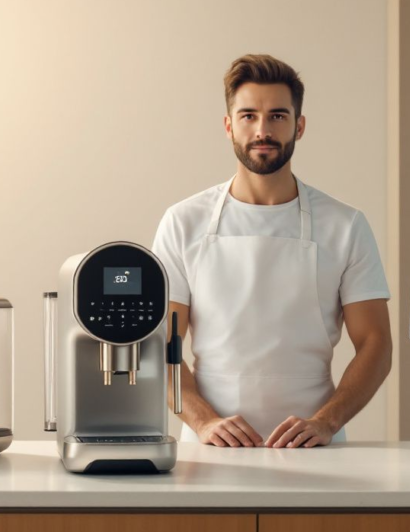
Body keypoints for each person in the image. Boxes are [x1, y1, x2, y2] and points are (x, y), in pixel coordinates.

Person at [152, 54, 392, 448]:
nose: (263, 130)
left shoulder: (345, 225)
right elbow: (160, 346)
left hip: (316, 450)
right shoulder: (182, 223)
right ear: (229, 126)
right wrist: (204, 422)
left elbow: (376, 344)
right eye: (248, 116)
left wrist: (326, 422)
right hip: (209, 449)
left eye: (278, 116)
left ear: (299, 126)